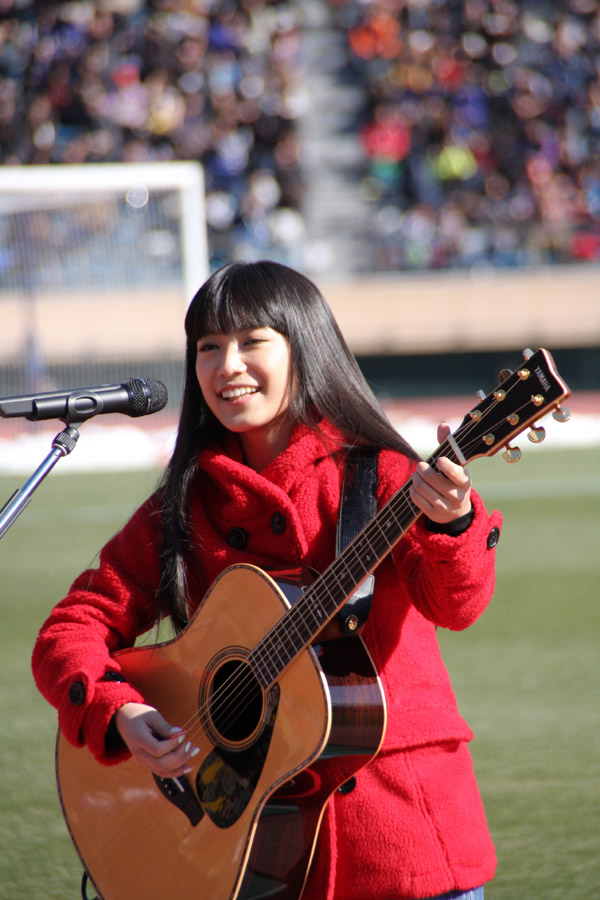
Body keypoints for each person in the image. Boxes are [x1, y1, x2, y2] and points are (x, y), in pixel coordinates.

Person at [32, 260, 502, 900]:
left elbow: (457, 605)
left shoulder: (384, 473)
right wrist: (120, 711)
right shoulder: (188, 503)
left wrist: (455, 522)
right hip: (248, 852)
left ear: (304, 349)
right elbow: (73, 626)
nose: (227, 366)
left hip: (402, 833)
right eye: (209, 347)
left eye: (252, 341)